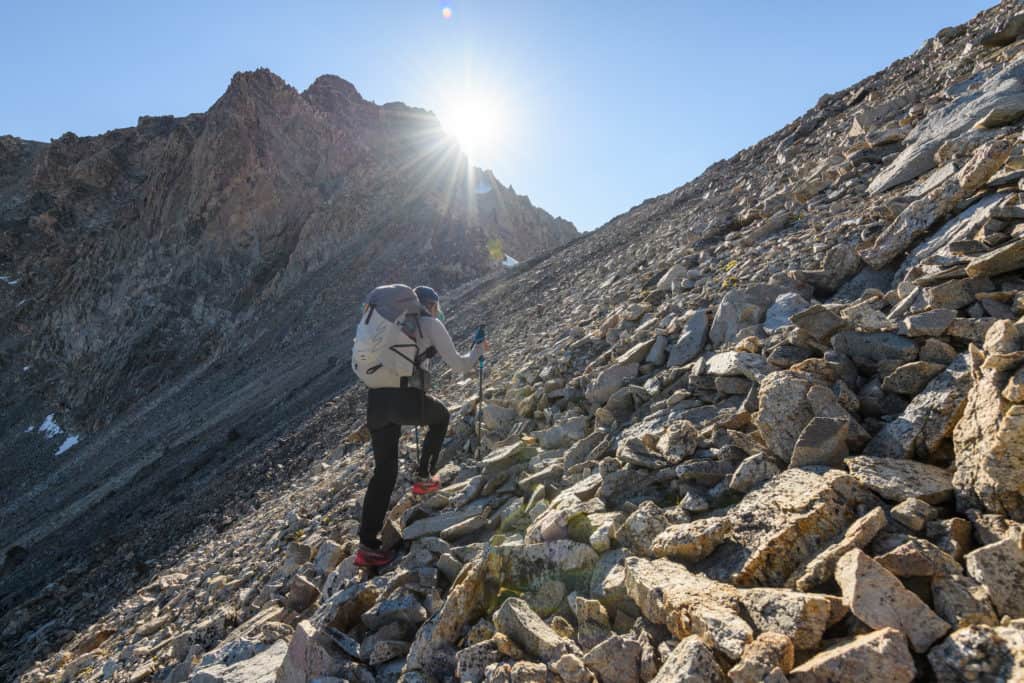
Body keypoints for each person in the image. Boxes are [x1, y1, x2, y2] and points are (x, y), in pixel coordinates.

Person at [355, 285, 488, 567]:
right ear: (430, 305)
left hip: (376, 402)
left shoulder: (392, 325)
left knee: (384, 472)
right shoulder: (429, 323)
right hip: (404, 399)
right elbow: (460, 365)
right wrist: (477, 351)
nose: (437, 312)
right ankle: (424, 478)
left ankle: (367, 545)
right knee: (440, 417)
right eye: (436, 307)